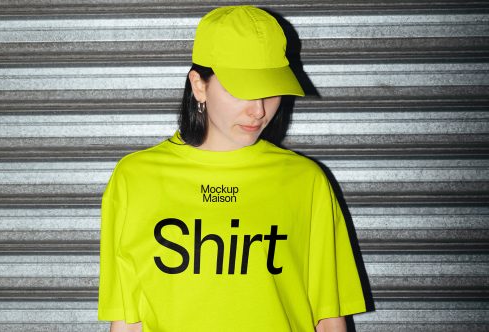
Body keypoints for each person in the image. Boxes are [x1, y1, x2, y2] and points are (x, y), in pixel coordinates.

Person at [98, 5, 366, 332]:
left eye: (270, 90)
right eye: (241, 89)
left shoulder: (305, 181)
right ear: (199, 85)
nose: (258, 111)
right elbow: (128, 321)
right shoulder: (135, 178)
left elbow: (328, 318)